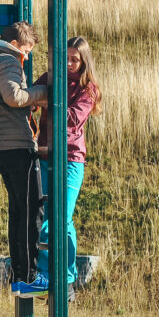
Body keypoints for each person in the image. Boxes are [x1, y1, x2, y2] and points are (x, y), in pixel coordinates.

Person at [0, 22, 49, 298]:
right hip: (17, 144)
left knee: (18, 210)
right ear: (16, 45)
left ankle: (19, 276)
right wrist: (42, 94)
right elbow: (14, 96)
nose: (26, 57)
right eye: (26, 51)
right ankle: (27, 276)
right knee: (31, 210)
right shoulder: (9, 62)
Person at [33, 36, 101, 300]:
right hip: (45, 153)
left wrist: (47, 100)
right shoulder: (49, 77)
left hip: (71, 157)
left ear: (84, 61)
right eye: (66, 58)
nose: (70, 64)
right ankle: (47, 276)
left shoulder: (88, 88)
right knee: (43, 214)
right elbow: (28, 96)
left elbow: (71, 118)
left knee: (61, 216)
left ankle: (65, 278)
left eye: (75, 59)